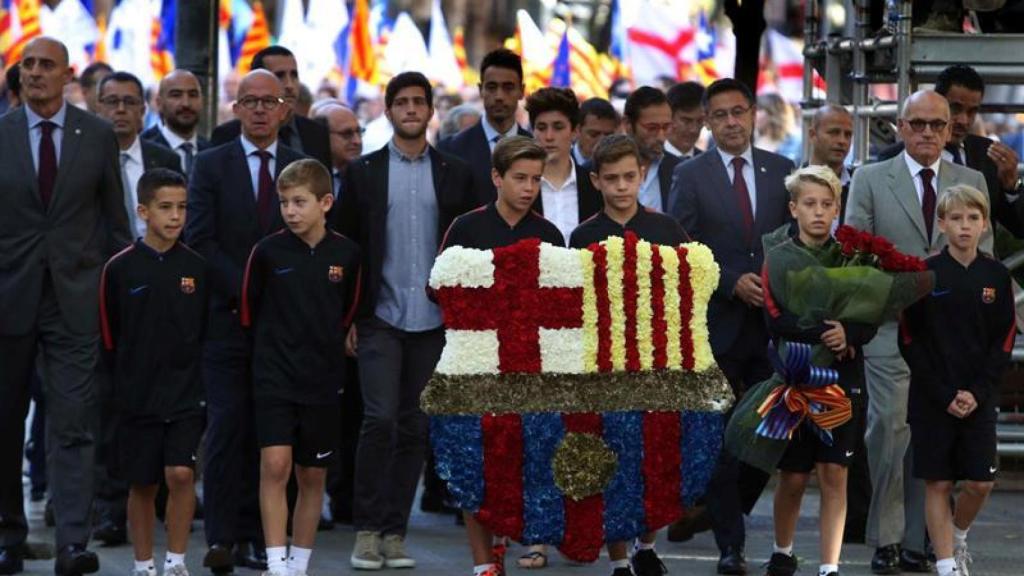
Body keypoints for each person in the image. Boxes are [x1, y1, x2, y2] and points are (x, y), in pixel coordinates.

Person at [333, 71, 476, 570]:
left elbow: (466, 247)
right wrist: (348, 315)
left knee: (415, 426)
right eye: (402, 102)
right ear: (389, 110)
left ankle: (395, 532)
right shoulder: (362, 172)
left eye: (419, 101)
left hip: (434, 321)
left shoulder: (455, 173)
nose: (412, 109)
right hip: (380, 316)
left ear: (430, 110)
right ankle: (366, 530)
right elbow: (347, 249)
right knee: (379, 420)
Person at [845, 89, 990, 575]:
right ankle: (886, 538)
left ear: (950, 129)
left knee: (936, 439)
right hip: (890, 325)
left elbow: (979, 258)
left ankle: (923, 540)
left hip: (951, 339)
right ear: (900, 127)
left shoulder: (970, 180)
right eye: (918, 124)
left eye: (937, 125)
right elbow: (853, 254)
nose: (927, 133)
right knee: (889, 428)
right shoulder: (868, 178)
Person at [0, 36, 131, 576]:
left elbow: (115, 222)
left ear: (66, 75)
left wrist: (116, 293)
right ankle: (8, 537)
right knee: (7, 422)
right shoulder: (1, 133)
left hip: (76, 302)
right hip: (8, 299)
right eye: (26, 65)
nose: (34, 73)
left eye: (45, 65)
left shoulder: (96, 134)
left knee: (74, 422)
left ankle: (72, 543)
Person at [669, 77, 795, 575]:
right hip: (718, 324)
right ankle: (731, 546)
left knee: (775, 430)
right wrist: (726, 281)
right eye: (719, 115)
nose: (730, 122)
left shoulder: (781, 169)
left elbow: (795, 239)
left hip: (774, 324)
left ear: (751, 113)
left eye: (738, 111)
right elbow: (682, 245)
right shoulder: (691, 174)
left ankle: (723, 509)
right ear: (706, 120)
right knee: (720, 437)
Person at [186, 68, 307, 574]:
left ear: (285, 109)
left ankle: (263, 536)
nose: (259, 109)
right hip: (226, 319)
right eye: (249, 101)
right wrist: (245, 287)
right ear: (234, 109)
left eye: (269, 101)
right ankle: (222, 537)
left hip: (283, 326)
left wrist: (277, 291)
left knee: (274, 432)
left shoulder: (302, 169)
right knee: (226, 426)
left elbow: (311, 239)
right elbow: (200, 239)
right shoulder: (211, 165)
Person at [438, 136, 563, 576]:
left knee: (524, 464)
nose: (528, 188)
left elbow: (562, 307)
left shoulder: (548, 234)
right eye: (519, 178)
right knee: (477, 469)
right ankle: (482, 565)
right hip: (475, 366)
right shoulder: (467, 228)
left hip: (530, 368)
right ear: (496, 177)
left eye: (536, 179)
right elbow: (439, 289)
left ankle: (513, 542)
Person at [568, 134, 685, 576]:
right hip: (603, 362)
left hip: (658, 359)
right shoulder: (583, 236)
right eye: (611, 178)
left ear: (642, 176)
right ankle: (619, 556)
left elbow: (683, 294)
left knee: (655, 457)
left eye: (629, 177)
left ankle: (647, 544)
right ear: (596, 180)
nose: (621, 187)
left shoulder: (667, 230)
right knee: (612, 457)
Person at [241, 159, 360, 576]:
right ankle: (276, 563)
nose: (290, 211)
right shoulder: (267, 252)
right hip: (274, 376)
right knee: (275, 466)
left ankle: (299, 563)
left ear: (325, 202)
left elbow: (349, 310)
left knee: (312, 475)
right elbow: (249, 310)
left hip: (324, 380)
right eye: (284, 202)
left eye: (300, 202)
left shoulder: (346, 254)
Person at [761, 166, 876, 576]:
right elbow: (776, 320)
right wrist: (828, 329)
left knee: (835, 472)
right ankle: (782, 549)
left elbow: (871, 314)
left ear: (837, 209)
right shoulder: (777, 257)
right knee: (792, 476)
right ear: (794, 208)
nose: (818, 212)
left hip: (843, 383)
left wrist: (851, 332)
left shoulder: (854, 257)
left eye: (827, 205)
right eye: (810, 204)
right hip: (794, 381)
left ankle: (830, 565)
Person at [899, 184, 1014, 576]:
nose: (965, 226)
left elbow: (1004, 340)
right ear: (942, 223)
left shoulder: (996, 275)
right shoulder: (924, 273)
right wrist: (944, 393)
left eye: (973, 218)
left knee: (981, 482)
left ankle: (957, 535)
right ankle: (946, 563)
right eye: (957, 218)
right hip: (934, 398)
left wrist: (977, 392)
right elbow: (909, 340)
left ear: (984, 225)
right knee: (938, 482)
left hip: (979, 397)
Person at [90, 70, 184, 546]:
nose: (121, 110)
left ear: (144, 109)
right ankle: (110, 508)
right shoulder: (85, 153)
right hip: (103, 289)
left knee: (162, 399)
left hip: (161, 295)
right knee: (111, 405)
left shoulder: (163, 158)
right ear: (97, 106)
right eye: (112, 102)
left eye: (130, 102)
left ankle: (164, 502)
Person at [99, 168, 207, 576]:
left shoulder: (197, 268)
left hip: (185, 394)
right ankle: (143, 564)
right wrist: (119, 390)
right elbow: (109, 336)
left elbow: (205, 333)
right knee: (142, 483)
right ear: (143, 211)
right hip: (136, 396)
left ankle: (176, 560)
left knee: (180, 474)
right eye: (165, 208)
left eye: (182, 207)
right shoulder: (119, 269)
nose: (175, 216)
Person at [877, 64, 1024, 239]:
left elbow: (1019, 227)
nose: (963, 120)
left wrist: (1011, 187)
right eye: (955, 108)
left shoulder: (988, 154)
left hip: (975, 264)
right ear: (937, 103)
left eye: (972, 111)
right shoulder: (893, 158)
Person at [210, 46, 331, 169]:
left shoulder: (317, 134)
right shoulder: (227, 135)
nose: (290, 85)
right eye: (280, 76)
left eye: (294, 75)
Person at [438, 48, 532, 203]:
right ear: (480, 90)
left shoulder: (536, 148)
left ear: (521, 91)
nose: (499, 96)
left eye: (508, 88)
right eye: (492, 87)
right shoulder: (450, 150)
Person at [525, 87, 602, 245]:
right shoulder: (523, 186)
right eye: (541, 128)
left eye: (558, 127)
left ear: (575, 131)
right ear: (533, 131)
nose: (549, 136)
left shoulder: (594, 185)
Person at [141, 69, 212, 177]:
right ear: (159, 103)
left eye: (193, 95)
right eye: (176, 95)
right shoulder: (142, 151)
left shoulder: (212, 152)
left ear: (202, 100)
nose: (186, 103)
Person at [623, 86, 680, 214]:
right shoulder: (601, 169)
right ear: (628, 125)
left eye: (666, 127)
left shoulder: (679, 170)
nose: (661, 137)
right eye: (652, 128)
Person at [806, 105, 854, 227]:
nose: (842, 141)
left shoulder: (859, 184)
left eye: (848, 135)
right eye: (834, 133)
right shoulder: (789, 185)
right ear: (812, 135)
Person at [312, 102, 364, 198]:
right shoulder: (307, 178)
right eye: (347, 134)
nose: (357, 141)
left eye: (359, 132)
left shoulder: (370, 176)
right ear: (322, 135)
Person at [665, 81, 705, 160]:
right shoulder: (648, 163)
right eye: (686, 121)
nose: (694, 130)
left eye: (700, 121)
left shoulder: (712, 165)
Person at [572, 97, 619, 165]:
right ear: (578, 130)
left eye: (609, 136)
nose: (601, 141)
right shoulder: (561, 162)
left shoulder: (620, 165)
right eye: (594, 134)